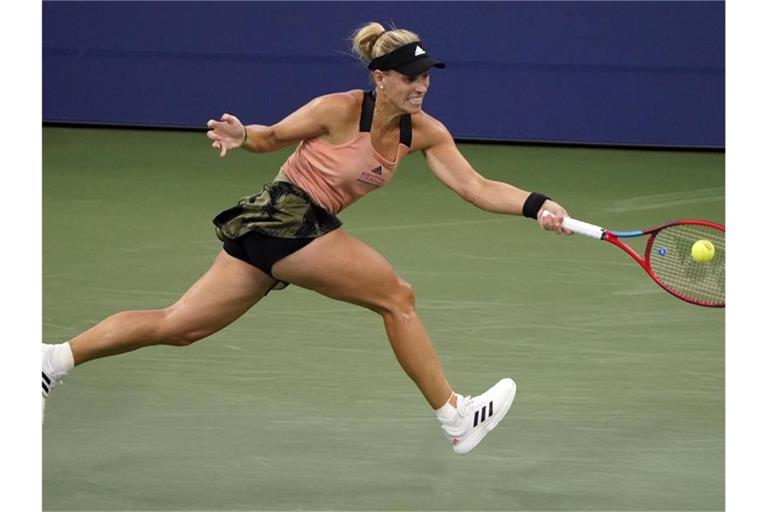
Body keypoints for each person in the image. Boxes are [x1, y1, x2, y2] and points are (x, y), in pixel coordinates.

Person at [42, 22, 569, 455]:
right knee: (397, 297)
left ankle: (51, 360)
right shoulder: (338, 109)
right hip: (286, 218)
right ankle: (456, 417)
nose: (421, 85)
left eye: (426, 76)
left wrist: (536, 204)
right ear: (380, 78)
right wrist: (241, 134)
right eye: (410, 76)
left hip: (285, 231)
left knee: (180, 325)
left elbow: (475, 186)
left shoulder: (423, 131)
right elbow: (270, 137)